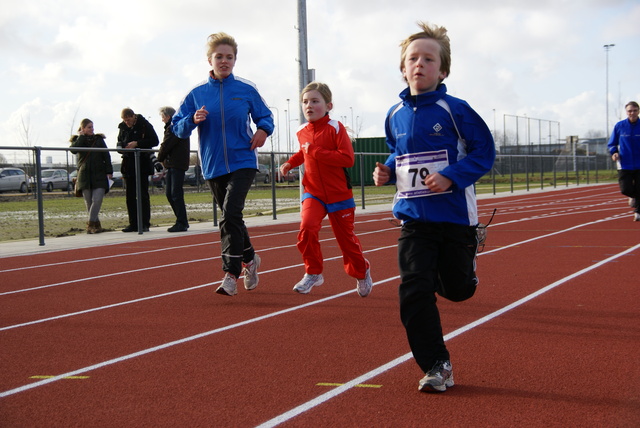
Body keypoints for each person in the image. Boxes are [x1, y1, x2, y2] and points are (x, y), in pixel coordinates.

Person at [373, 22, 495, 393]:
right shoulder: (394, 114)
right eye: (413, 58)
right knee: (413, 289)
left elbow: (484, 153)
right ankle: (436, 365)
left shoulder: (456, 110)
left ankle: (469, 258)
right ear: (403, 67)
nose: (419, 64)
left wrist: (451, 177)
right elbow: (400, 152)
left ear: (442, 71)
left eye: (429, 59)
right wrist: (388, 170)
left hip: (455, 218)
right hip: (413, 220)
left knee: (458, 290)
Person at [172, 32, 274, 296]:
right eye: (219, 57)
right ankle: (250, 259)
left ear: (235, 60)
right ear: (210, 60)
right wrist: (192, 120)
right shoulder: (196, 94)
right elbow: (178, 129)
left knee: (229, 213)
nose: (224, 61)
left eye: (229, 57)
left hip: (243, 160)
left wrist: (263, 130)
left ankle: (231, 274)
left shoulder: (246, 89)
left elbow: (266, 116)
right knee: (233, 217)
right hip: (213, 164)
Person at [280, 82, 373, 297]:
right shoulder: (301, 131)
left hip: (339, 195)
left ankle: (362, 271)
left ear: (328, 105)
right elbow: (303, 153)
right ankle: (313, 273)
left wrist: (316, 151)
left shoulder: (336, 128)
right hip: (313, 192)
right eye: (305, 102)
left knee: (346, 242)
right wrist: (289, 163)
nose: (309, 106)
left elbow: (347, 159)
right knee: (307, 228)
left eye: (315, 101)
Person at [116, 108, 159, 232]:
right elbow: (119, 142)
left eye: (128, 120)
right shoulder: (122, 128)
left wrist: (137, 143)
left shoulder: (145, 125)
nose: (127, 123)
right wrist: (122, 148)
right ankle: (133, 223)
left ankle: (144, 223)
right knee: (130, 196)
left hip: (142, 164)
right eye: (124, 120)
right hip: (128, 165)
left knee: (142, 195)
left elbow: (154, 141)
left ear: (133, 116)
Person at [70, 119, 113, 234]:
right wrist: (81, 137)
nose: (92, 129)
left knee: (97, 200)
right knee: (89, 203)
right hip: (84, 175)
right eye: (89, 127)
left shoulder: (98, 140)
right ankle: (96, 225)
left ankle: (90, 224)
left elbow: (106, 155)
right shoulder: (78, 140)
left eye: (92, 127)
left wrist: (109, 170)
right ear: (83, 128)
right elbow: (73, 150)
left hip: (99, 173)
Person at [157, 106, 190, 232]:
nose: (162, 120)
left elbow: (167, 144)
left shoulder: (174, 127)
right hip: (172, 164)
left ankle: (182, 222)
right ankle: (181, 220)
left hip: (177, 163)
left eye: (163, 117)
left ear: (168, 117)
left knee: (175, 193)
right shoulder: (173, 127)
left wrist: (159, 158)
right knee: (170, 194)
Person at [608, 101, 640, 222]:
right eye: (629, 111)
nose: (632, 113)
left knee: (639, 187)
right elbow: (612, 143)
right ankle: (633, 197)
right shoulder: (619, 126)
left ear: (638, 111)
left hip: (639, 163)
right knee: (625, 189)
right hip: (624, 163)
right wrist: (614, 152)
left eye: (635, 110)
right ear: (626, 112)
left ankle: (637, 212)